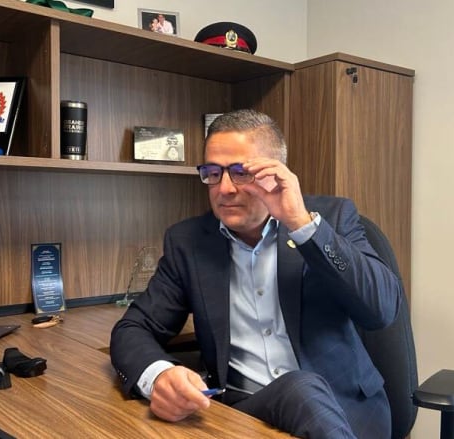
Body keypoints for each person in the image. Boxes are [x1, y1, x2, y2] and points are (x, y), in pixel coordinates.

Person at [110, 109, 402, 438]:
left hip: (344, 412)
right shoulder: (188, 242)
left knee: (300, 388)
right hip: (247, 416)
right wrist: (159, 376)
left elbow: (382, 309)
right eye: (212, 173)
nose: (225, 188)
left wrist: (302, 224)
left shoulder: (331, 218)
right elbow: (133, 328)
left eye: (240, 172)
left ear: (277, 173)